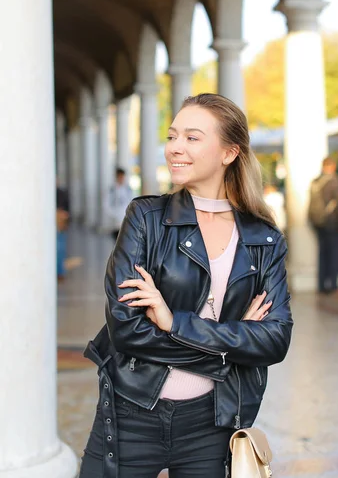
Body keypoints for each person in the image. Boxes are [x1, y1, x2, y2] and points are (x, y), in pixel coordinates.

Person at [79, 93, 293, 478]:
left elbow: (275, 340)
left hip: (211, 423)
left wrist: (174, 322)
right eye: (172, 136)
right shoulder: (145, 218)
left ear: (229, 153)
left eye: (192, 138)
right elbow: (127, 329)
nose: (175, 148)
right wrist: (228, 350)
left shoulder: (263, 239)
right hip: (131, 411)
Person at [308, 157, 338, 293]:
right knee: (334, 252)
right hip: (331, 222)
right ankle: (332, 284)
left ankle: (321, 285)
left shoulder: (316, 181)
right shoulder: (333, 181)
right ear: (333, 166)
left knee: (322, 252)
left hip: (317, 222)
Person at [106, 167, 133, 240]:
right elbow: (106, 204)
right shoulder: (112, 189)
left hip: (126, 219)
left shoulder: (128, 189)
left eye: (122, 177)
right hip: (115, 221)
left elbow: (132, 202)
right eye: (120, 176)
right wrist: (113, 214)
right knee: (117, 241)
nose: (121, 178)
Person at [56, 178, 69, 282]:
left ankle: (59, 272)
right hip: (60, 222)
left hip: (59, 222)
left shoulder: (60, 192)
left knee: (60, 247)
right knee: (60, 247)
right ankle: (59, 272)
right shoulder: (61, 192)